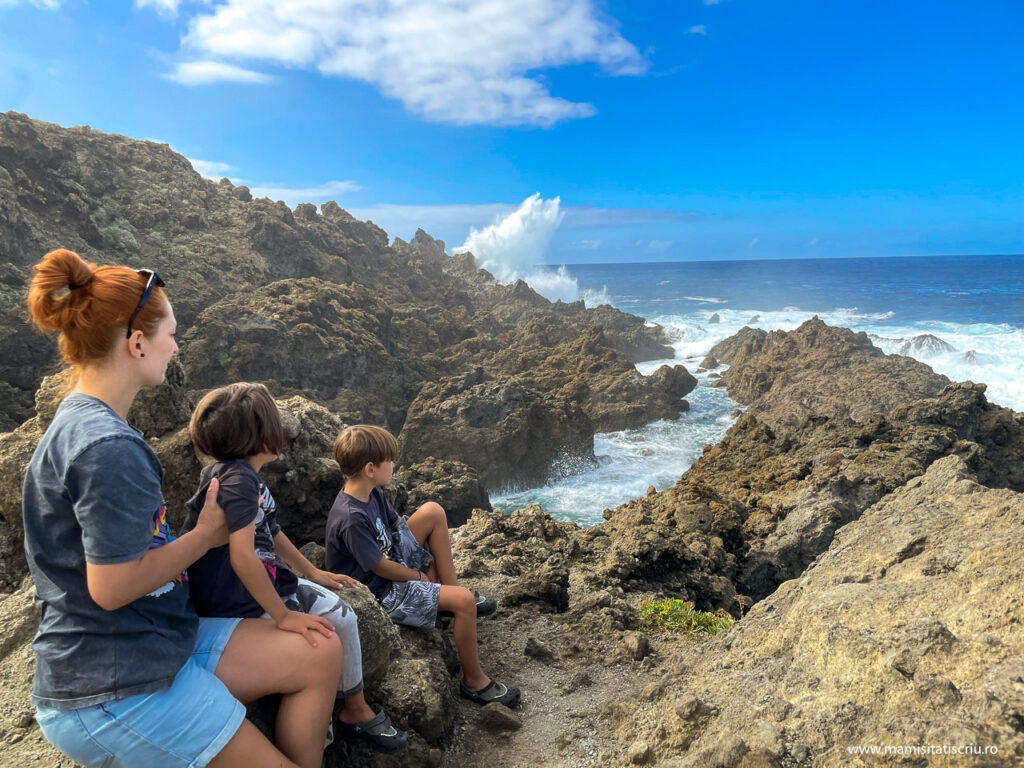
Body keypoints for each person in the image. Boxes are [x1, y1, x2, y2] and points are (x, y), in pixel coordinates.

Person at [22, 248, 340, 768]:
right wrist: (206, 535)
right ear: (137, 342)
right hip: (114, 683)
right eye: (170, 332)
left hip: (160, 640)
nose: (175, 346)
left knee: (321, 649)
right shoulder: (107, 447)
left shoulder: (85, 422)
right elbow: (112, 587)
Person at [181, 382, 407, 753]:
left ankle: (354, 708)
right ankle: (325, 728)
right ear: (260, 434)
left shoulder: (242, 475)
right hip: (238, 600)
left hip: (270, 579)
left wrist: (312, 572)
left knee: (344, 616)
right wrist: (283, 617)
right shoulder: (237, 481)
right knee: (319, 635)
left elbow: (272, 531)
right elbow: (241, 557)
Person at [326, 424, 520, 708]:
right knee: (465, 601)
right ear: (370, 468)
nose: (393, 464)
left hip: (391, 560)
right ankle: (474, 682)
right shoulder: (351, 516)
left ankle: (450, 594)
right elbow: (379, 567)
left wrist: (423, 559)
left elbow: (396, 526)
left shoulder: (372, 491)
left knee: (432, 511)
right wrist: (419, 574)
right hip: (381, 591)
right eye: (389, 460)